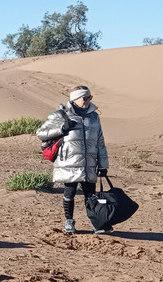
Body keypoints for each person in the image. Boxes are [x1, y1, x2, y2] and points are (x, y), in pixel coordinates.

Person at [36, 85, 109, 235]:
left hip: (89, 163)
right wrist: (62, 128)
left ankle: (97, 223)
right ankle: (69, 221)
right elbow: (41, 133)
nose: (88, 100)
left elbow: (100, 141)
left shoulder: (94, 116)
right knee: (69, 192)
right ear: (75, 99)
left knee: (91, 195)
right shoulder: (60, 115)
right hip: (68, 162)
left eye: (90, 97)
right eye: (85, 97)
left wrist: (103, 165)